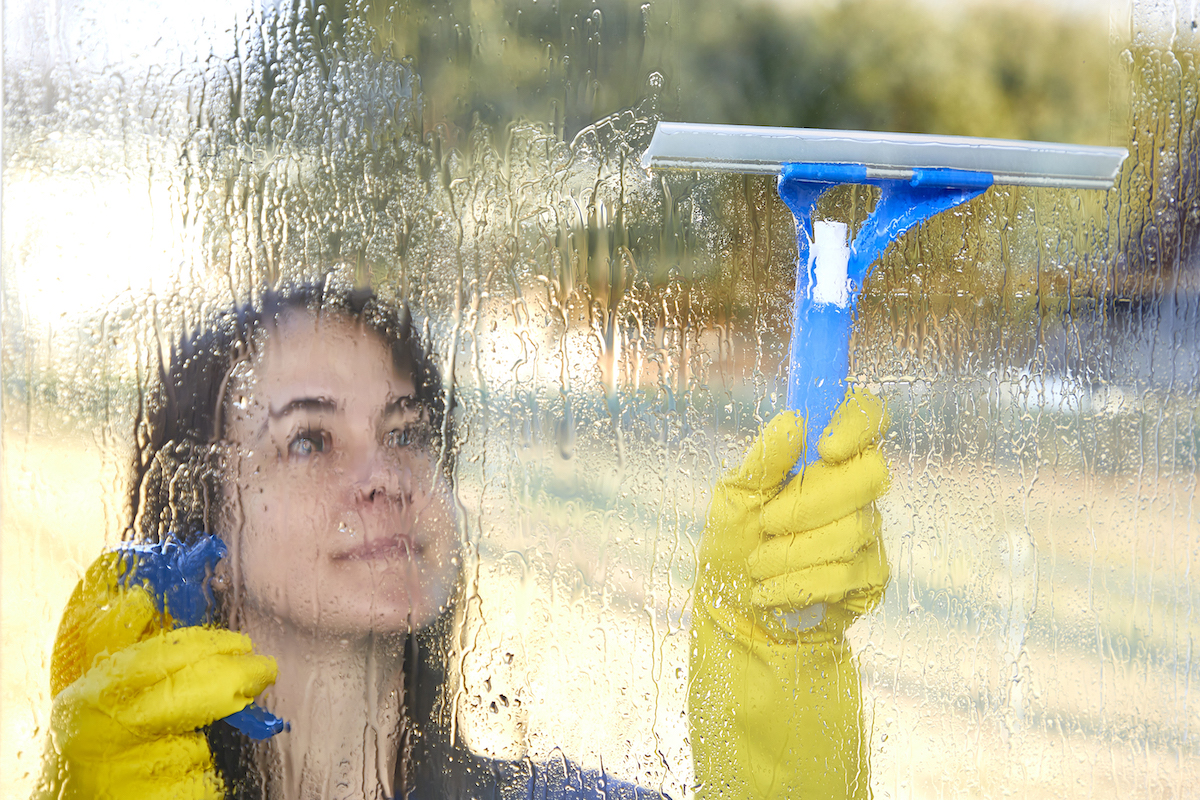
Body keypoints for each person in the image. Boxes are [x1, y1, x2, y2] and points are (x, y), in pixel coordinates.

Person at [34, 278, 889, 800]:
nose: (385, 475)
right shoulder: (114, 789)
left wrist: (780, 668)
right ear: (199, 524)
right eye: (309, 440)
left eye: (406, 432)